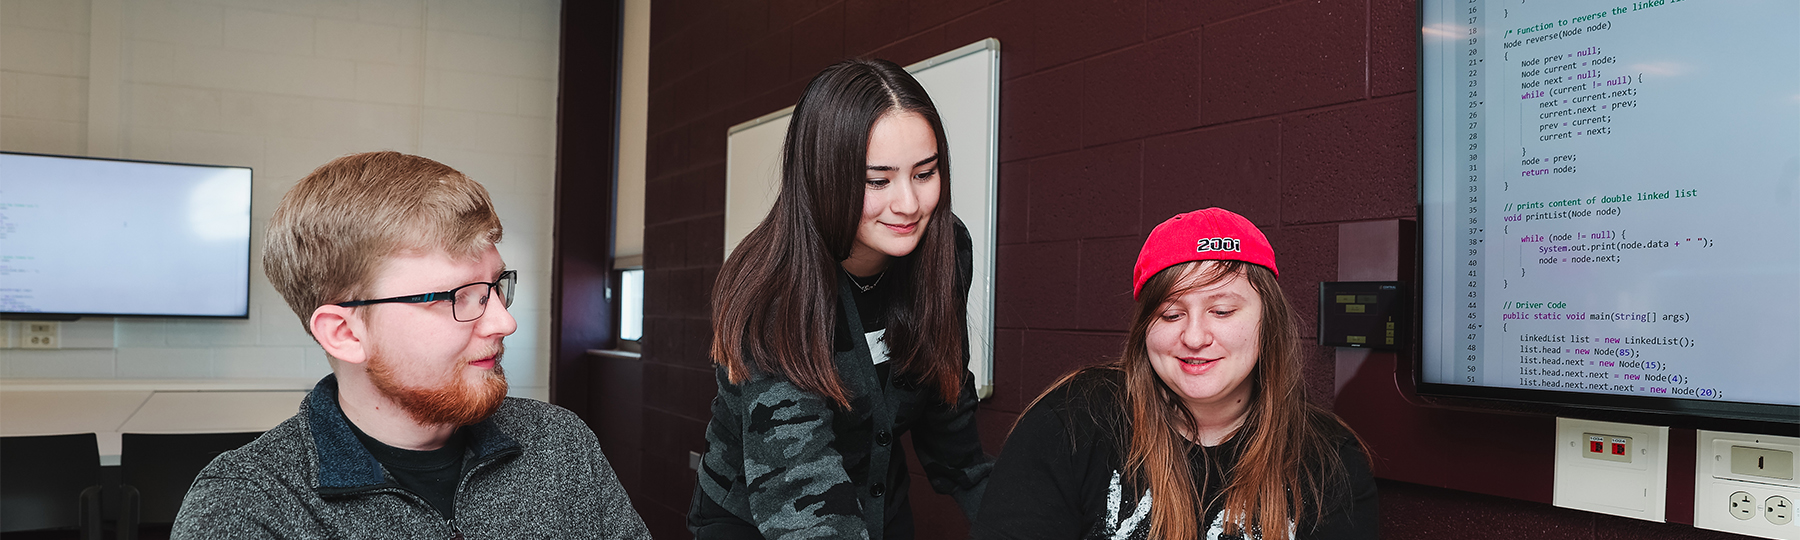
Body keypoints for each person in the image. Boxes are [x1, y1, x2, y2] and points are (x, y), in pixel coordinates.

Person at [172, 152, 650, 539]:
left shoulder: (559, 444)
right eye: (459, 296)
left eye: (496, 286)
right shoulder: (248, 508)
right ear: (344, 333)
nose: (505, 321)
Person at [688, 58, 992, 540]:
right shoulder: (773, 288)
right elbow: (800, 483)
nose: (909, 205)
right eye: (878, 181)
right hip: (762, 513)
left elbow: (944, 400)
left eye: (924, 173)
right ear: (824, 176)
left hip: (877, 502)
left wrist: (1008, 511)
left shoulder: (944, 251)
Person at [971, 208, 1378, 540]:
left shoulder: (1327, 459)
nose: (1195, 336)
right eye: (1171, 313)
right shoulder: (1072, 422)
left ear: (1267, 321)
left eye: (1222, 311)